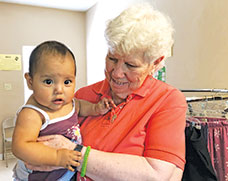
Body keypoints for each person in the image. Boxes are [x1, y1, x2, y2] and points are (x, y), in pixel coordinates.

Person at [28, 3, 188, 180]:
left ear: (155, 63)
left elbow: (157, 175)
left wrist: (74, 154)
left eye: (131, 65)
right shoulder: (83, 96)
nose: (117, 73)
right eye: (112, 59)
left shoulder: (168, 100)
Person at [12, 40, 115, 181]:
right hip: (41, 176)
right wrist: (57, 157)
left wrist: (96, 108)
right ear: (30, 81)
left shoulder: (69, 103)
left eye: (67, 82)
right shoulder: (33, 114)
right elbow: (20, 147)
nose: (59, 90)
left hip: (66, 173)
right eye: (48, 82)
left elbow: (80, 106)